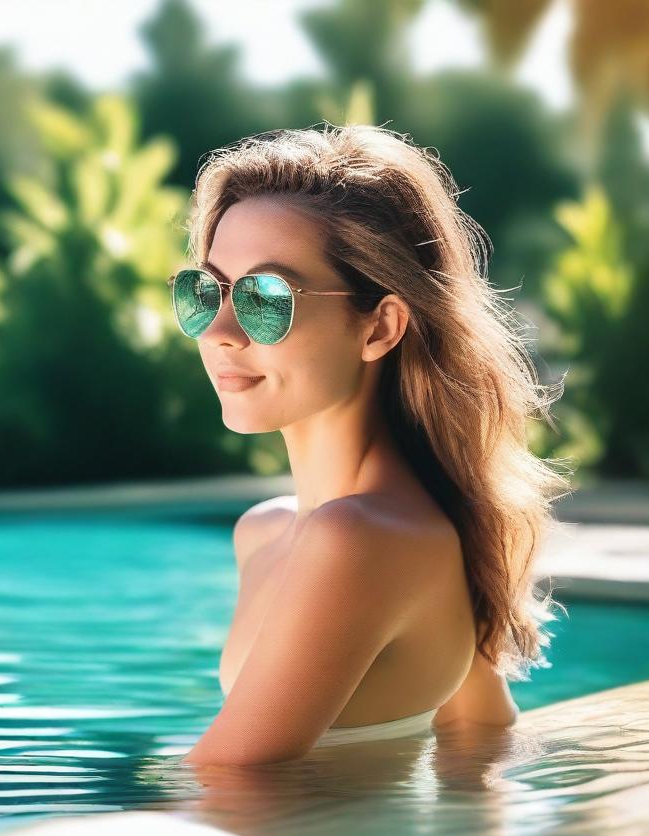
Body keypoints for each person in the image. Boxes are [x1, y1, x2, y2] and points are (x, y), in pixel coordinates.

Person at [167, 123, 572, 767]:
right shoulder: (274, 532)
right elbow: (481, 728)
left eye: (265, 298)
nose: (218, 331)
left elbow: (225, 779)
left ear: (380, 326)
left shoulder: (359, 539)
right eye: (204, 291)